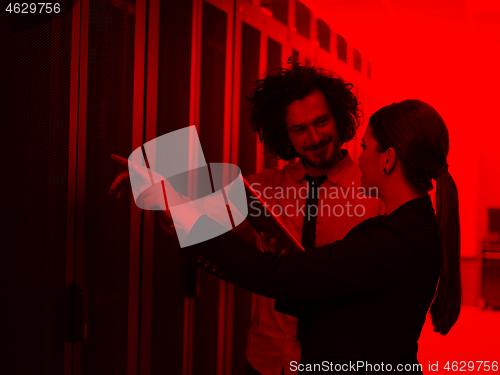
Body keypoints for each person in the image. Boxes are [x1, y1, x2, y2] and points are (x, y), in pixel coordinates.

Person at [134, 99, 461, 373]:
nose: (360, 156)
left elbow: (279, 277)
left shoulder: (393, 238)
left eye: (365, 147)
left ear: (387, 158)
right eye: (299, 129)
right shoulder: (413, 228)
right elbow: (351, 298)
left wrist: (180, 214)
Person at [110, 61, 383, 375]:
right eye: (299, 129)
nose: (315, 136)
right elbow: (199, 221)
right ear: (285, 136)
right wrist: (163, 196)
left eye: (322, 122)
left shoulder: (373, 192)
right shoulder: (263, 187)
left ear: (338, 117)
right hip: (267, 358)